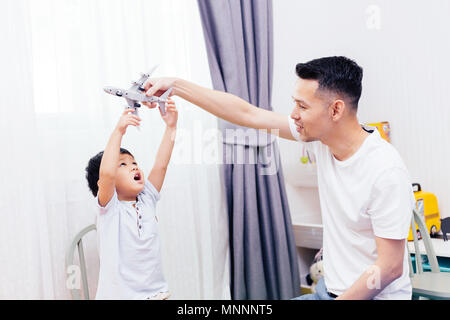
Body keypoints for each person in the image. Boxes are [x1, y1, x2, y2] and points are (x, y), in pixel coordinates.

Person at [141, 56, 415, 300]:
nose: (294, 114)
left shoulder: (385, 171)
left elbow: (390, 267)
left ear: (335, 110)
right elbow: (247, 113)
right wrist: (175, 85)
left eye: (302, 106)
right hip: (328, 290)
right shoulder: (323, 138)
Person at [85, 99, 178, 299]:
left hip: (156, 294)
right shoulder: (109, 209)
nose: (134, 166)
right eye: (123, 165)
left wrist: (171, 126)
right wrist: (119, 131)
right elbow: (107, 174)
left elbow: (161, 164)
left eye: (134, 162)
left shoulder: (147, 198)